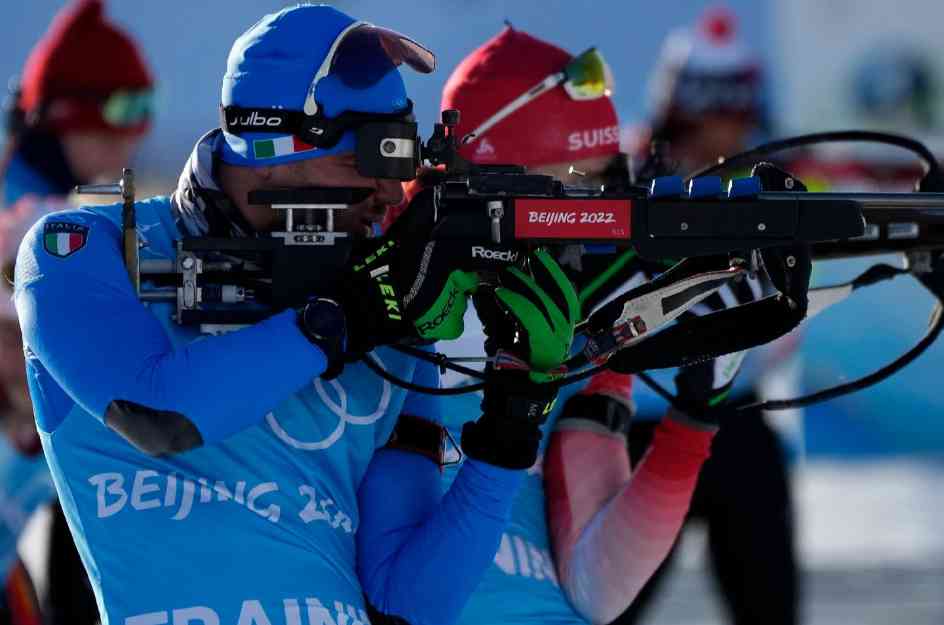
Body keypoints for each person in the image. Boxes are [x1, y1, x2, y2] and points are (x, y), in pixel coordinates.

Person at [13, 6, 578, 625]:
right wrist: (355, 310)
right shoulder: (84, 248)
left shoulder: (384, 296)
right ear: (267, 144)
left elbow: (410, 600)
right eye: (367, 158)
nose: (392, 193)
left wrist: (513, 417)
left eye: (401, 161)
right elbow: (159, 414)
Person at [430, 26, 739, 625]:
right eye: (573, 189)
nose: (594, 217)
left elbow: (602, 589)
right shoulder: (387, 304)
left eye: (604, 185)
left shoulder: (583, 327)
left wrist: (697, 411)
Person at [619, 8, 801, 625]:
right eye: (706, 114)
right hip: (633, 429)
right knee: (602, 607)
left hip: (734, 420)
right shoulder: (617, 178)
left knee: (769, 604)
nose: (721, 135)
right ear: (676, 108)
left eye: (735, 116)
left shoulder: (776, 186)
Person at [0, 1, 155, 623]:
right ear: (67, 117)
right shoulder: (34, 221)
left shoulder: (48, 205)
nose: (136, 133)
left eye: (147, 111)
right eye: (123, 113)